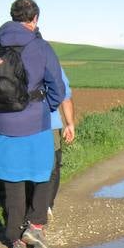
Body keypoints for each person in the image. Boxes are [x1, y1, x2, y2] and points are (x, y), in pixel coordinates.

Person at [0, 0, 65, 248]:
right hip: (36, 121)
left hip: (5, 123)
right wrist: (46, 107)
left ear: (12, 16)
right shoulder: (41, 46)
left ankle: (14, 240)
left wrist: (2, 106)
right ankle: (35, 226)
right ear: (35, 18)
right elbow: (57, 87)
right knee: (44, 173)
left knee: (13, 180)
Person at [48, 67, 76, 220]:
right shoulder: (50, 63)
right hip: (49, 125)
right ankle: (45, 207)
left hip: (18, 127)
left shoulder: (12, 60)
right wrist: (70, 124)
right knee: (52, 168)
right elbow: (65, 96)